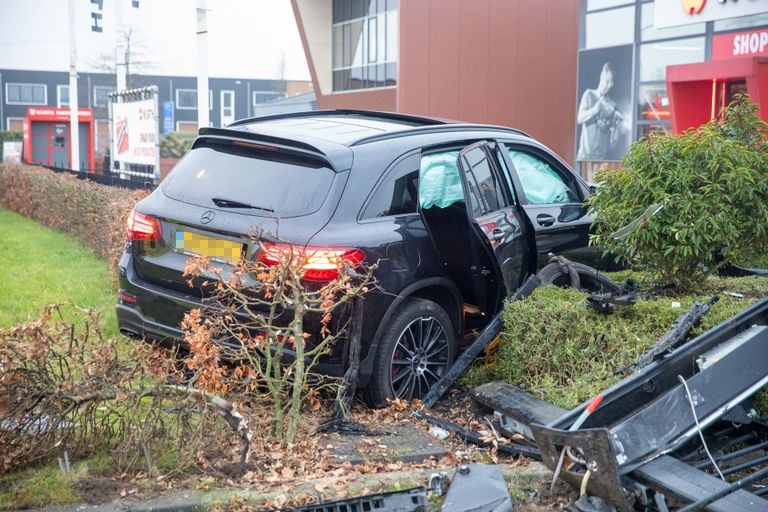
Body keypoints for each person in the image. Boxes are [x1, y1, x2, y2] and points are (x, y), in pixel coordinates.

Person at [577, 62, 626, 161]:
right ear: (601, 76)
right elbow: (579, 118)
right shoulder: (589, 94)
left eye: (611, 83)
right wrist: (595, 109)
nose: (608, 86)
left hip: (600, 159)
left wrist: (615, 130)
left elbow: (614, 139)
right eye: (606, 81)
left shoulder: (613, 106)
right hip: (584, 156)